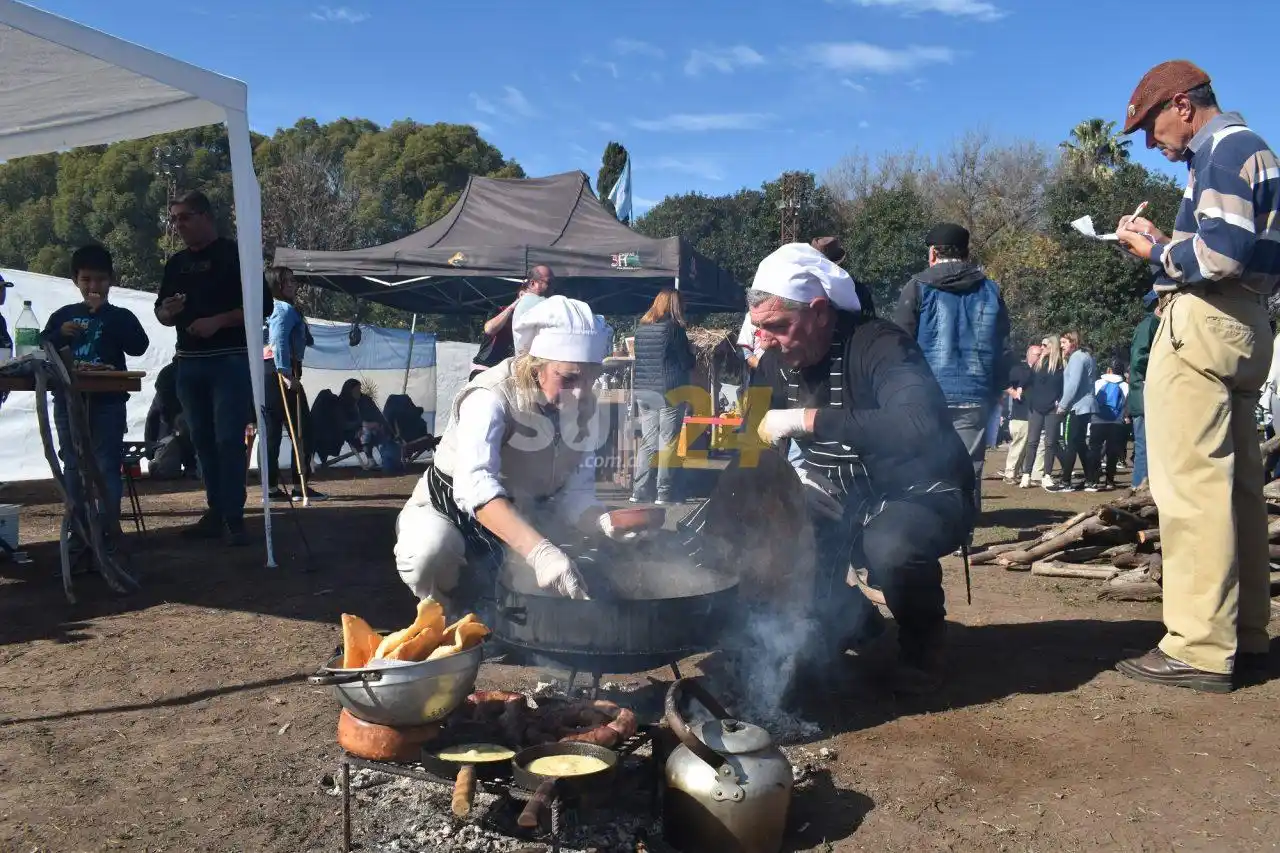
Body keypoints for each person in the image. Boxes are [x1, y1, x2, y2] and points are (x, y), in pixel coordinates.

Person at [1112, 60, 1279, 692]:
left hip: (1204, 324)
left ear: (1182, 105)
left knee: (1191, 491)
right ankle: (1246, 634)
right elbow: (1238, 246)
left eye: (1150, 127)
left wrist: (1154, 251)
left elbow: (1221, 255)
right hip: (1249, 322)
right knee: (1238, 492)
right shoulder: (1254, 149)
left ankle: (1199, 646)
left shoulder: (1218, 150)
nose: (1150, 142)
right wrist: (1169, 242)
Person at [748, 243, 975, 691]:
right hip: (839, 489)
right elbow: (751, 436)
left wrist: (807, 420)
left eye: (777, 326)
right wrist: (787, 483)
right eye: (759, 328)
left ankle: (923, 647)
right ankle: (854, 621)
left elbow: (919, 423)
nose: (765, 340)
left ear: (819, 312)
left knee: (890, 546)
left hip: (921, 490)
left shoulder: (880, 344)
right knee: (770, 534)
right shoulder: (774, 363)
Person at [393, 295, 634, 615]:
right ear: (536, 365)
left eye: (590, 377)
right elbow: (475, 484)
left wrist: (600, 520)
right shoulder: (490, 396)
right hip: (451, 511)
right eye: (569, 378)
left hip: (525, 512)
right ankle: (446, 615)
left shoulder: (585, 407)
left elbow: (575, 493)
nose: (580, 392)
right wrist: (540, 552)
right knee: (429, 555)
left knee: (561, 583)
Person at [155, 190, 269, 546]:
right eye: (174, 219)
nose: (178, 225)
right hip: (188, 363)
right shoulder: (175, 264)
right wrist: (167, 312)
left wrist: (218, 321)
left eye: (184, 217)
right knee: (200, 439)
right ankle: (216, 510)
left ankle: (234, 516)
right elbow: (161, 312)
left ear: (205, 216)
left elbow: (262, 306)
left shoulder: (235, 255)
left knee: (228, 439)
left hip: (229, 360)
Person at [894, 223, 1009, 526]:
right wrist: (997, 388)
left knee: (926, 466)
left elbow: (900, 343)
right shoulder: (991, 290)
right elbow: (1002, 345)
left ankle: (930, 529)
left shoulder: (917, 286)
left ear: (933, 253)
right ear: (966, 253)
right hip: (976, 392)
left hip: (927, 394)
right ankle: (963, 534)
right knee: (969, 468)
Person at [41, 245, 149, 534]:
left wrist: (110, 320)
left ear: (111, 280)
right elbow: (41, 346)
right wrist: (58, 335)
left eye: (100, 279)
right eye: (86, 279)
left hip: (109, 400)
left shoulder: (120, 315)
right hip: (68, 398)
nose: (93, 287)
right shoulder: (63, 315)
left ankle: (107, 528)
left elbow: (139, 346)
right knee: (72, 462)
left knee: (106, 464)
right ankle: (79, 530)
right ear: (75, 280)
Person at [263, 266, 325, 502]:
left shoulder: (267, 309)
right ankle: (300, 486)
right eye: (286, 281)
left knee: (271, 433)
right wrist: (286, 374)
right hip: (281, 371)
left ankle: (271, 489)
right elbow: (278, 339)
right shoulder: (283, 308)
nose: (292, 285)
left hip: (266, 372)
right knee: (302, 430)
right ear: (275, 285)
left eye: (293, 280)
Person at [630, 289, 696, 505]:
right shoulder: (674, 329)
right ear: (675, 305)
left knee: (648, 442)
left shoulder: (641, 329)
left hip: (644, 391)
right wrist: (692, 353)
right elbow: (686, 362)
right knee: (667, 442)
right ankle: (664, 492)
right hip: (670, 391)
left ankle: (639, 491)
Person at [470, 266, 556, 379]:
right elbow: (489, 329)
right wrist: (516, 304)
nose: (551, 288)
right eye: (548, 283)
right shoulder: (501, 310)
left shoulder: (535, 318)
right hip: (486, 369)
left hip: (508, 372)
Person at [1047, 331, 1098, 492]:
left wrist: (1062, 405)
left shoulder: (1076, 357)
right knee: (1081, 444)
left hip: (1077, 407)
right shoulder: (1087, 356)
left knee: (1070, 444)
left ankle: (1065, 482)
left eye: (1064, 342)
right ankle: (1091, 480)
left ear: (1073, 342)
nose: (1061, 346)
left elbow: (1073, 385)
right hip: (1086, 406)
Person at [1021, 336, 1065, 489]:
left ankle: (1047, 475)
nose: (1042, 347)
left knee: (1050, 443)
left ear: (1053, 347)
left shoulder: (1061, 366)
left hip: (1052, 408)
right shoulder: (1038, 364)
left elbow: (1064, 386)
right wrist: (1028, 398)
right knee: (1032, 441)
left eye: (1045, 345)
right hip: (1036, 408)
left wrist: (1060, 400)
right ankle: (1026, 474)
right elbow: (1027, 382)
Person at [1128, 291, 1160, 490]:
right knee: (1144, 446)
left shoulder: (1156, 325)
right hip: (1143, 396)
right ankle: (1137, 487)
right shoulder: (1147, 326)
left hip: (1150, 395)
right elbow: (1138, 360)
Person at [1085, 359, 1129, 492]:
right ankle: (1110, 480)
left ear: (1109, 369)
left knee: (1094, 449)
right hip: (1116, 422)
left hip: (1097, 420)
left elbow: (1091, 399)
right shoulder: (1125, 385)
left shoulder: (1098, 382)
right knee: (1112, 452)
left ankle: (1093, 479)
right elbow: (1126, 405)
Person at [1003, 344, 1041, 483]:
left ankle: (1031, 474)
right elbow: (1003, 383)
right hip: (1021, 414)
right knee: (1019, 445)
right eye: (1038, 355)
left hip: (1036, 413)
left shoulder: (1041, 371)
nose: (1041, 357)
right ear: (1029, 355)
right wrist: (1013, 392)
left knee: (1032, 446)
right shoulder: (1019, 369)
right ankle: (1010, 474)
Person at [338, 378, 388, 470]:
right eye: (356, 390)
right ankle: (371, 460)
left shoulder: (365, 399)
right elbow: (343, 424)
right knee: (366, 431)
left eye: (359, 389)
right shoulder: (342, 403)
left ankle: (387, 458)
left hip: (373, 429)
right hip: (353, 433)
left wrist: (379, 424)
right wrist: (361, 425)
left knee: (379, 431)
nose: (359, 392)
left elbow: (377, 414)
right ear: (349, 390)